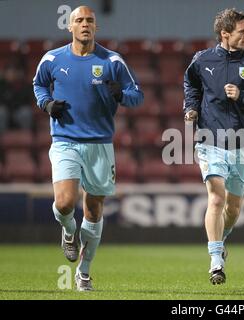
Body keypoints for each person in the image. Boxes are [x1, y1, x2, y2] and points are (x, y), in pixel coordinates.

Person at [33, 6, 144, 291]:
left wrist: (120, 93)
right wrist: (46, 104)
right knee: (65, 203)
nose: (85, 24)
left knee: (94, 210)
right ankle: (69, 231)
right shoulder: (52, 59)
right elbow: (39, 86)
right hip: (65, 140)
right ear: (69, 27)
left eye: (90, 21)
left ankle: (84, 272)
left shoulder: (112, 61)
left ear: (96, 27)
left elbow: (136, 95)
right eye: (79, 20)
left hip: (99, 144)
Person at [183, 8, 244, 285]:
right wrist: (190, 108)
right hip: (210, 138)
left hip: (243, 141)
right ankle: (215, 262)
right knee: (216, 198)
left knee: (233, 208)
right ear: (225, 34)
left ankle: (220, 241)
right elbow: (191, 86)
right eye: (242, 31)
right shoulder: (202, 60)